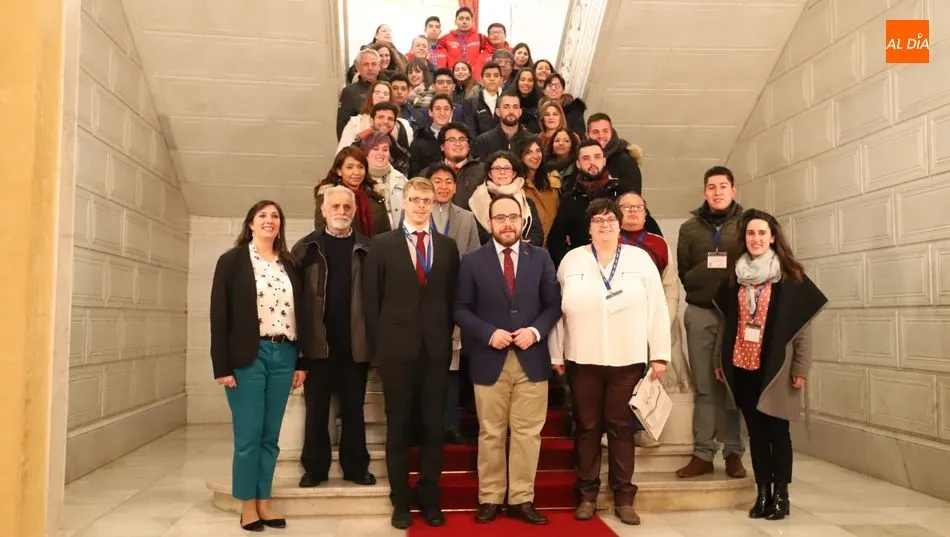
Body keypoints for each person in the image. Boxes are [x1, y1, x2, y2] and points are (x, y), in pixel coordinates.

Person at [548, 198, 670, 526]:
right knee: (587, 428)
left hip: (627, 359)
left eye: (610, 220)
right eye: (598, 220)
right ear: (588, 228)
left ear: (619, 225)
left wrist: (660, 354)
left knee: (620, 428)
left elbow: (657, 307)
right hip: (582, 358)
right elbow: (558, 311)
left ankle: (624, 496)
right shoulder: (572, 260)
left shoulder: (639, 259)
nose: (605, 225)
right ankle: (587, 494)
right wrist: (556, 353)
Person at [455, 194, 562, 525]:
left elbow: (553, 305)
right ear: (490, 223)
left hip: (531, 358)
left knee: (528, 433)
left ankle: (521, 498)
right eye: (500, 218)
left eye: (513, 217)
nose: (507, 224)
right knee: (491, 432)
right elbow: (460, 309)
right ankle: (489, 496)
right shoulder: (472, 261)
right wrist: (488, 333)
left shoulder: (541, 257)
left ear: (523, 221)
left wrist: (535, 331)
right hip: (490, 358)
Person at [713, 209, 826, 520]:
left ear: (773, 237)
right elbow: (727, 324)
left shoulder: (790, 277)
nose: (756, 238)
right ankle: (763, 492)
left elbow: (803, 331)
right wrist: (719, 360)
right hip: (742, 364)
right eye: (751, 233)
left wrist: (800, 368)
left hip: (776, 369)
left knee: (778, 433)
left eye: (762, 233)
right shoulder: (736, 277)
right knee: (756, 434)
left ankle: (782, 496)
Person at [363, 178, 461, 529]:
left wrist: (445, 337)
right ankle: (401, 500)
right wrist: (379, 348)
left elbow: (452, 298)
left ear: (434, 203)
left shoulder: (447, 247)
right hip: (396, 350)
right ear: (403, 202)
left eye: (426, 200)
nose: (421, 205)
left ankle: (430, 498)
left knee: (434, 426)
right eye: (415, 199)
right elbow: (371, 300)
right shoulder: (381, 245)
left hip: (435, 350)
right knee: (399, 426)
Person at [210, 200, 306, 531]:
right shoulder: (232, 261)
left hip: (285, 354)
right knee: (249, 435)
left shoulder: (289, 264)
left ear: (280, 225)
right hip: (247, 356)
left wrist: (301, 360)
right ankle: (247, 505)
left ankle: (264, 501)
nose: (269, 220)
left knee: (270, 436)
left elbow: (301, 315)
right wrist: (221, 366)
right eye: (262, 215)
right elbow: (219, 316)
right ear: (250, 223)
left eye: (275, 216)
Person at [293, 186, 376, 489]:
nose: (341, 211)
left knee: (354, 410)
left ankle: (356, 467)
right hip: (317, 346)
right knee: (316, 411)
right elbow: (295, 301)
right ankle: (314, 469)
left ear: (354, 211)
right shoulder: (305, 248)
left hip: (356, 344)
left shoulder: (369, 249)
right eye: (335, 206)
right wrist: (299, 350)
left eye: (347, 207)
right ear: (324, 210)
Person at [676, 165, 747, 479]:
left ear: (733, 190)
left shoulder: (746, 224)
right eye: (711, 187)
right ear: (704, 192)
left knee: (732, 386)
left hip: (737, 316)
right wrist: (699, 282)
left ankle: (733, 453)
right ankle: (703, 453)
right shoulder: (689, 228)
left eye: (723, 186)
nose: (717, 192)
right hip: (700, 312)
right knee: (705, 387)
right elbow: (683, 270)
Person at [618, 192, 685, 447]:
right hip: (617, 322)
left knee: (644, 378)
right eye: (626, 207)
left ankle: (641, 430)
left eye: (638, 207)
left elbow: (670, 287)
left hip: (652, 321)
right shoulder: (610, 240)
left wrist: (663, 322)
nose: (632, 211)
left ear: (646, 214)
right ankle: (612, 430)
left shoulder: (658, 244)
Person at [428, 164, 481, 446]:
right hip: (423, 302)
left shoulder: (466, 218)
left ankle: (450, 424)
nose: (443, 186)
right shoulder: (417, 214)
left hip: (455, 300)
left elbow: (473, 259)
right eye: (437, 181)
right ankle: (426, 424)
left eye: (448, 181)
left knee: (452, 364)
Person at [547, 140, 624, 266]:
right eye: (586, 158)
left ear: (604, 161)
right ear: (578, 164)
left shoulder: (621, 192)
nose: (592, 162)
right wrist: (568, 265)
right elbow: (555, 239)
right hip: (581, 265)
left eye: (597, 157)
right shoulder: (570, 198)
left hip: (618, 263)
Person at [468, 150, 544, 246]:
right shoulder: (477, 200)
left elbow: (537, 235)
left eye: (507, 168)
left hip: (524, 252)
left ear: (514, 174)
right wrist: (505, 244)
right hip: (489, 251)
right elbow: (477, 235)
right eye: (497, 168)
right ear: (490, 174)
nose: (502, 172)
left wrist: (518, 247)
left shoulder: (527, 202)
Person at [314, 147, 391, 238]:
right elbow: (321, 231)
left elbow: (386, 233)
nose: (356, 172)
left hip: (374, 246)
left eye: (361, 167)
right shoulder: (329, 196)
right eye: (349, 167)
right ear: (339, 171)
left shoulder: (375, 195)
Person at [514, 134, 560, 244]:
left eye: (538, 151)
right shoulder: (515, 187)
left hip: (553, 245)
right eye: (529, 152)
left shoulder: (552, 184)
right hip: (530, 245)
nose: (535, 156)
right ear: (520, 156)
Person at [361, 131, 408, 228]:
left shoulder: (402, 180)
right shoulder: (359, 180)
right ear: (366, 152)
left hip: (399, 233)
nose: (381, 153)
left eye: (385, 149)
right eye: (375, 149)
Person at [337, 49, 380, 139]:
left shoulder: (386, 88)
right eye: (366, 64)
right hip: (360, 142)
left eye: (374, 64)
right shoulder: (350, 91)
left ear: (379, 66)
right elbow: (342, 126)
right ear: (357, 67)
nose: (370, 68)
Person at [409, 94, 455, 177]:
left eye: (446, 109)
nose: (442, 113)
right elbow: (414, 174)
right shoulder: (419, 140)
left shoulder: (461, 137)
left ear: (451, 113)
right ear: (430, 112)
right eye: (438, 109)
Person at [473, 92, 526, 159]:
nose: (511, 111)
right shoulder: (483, 141)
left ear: (520, 112)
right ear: (498, 112)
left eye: (515, 107)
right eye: (506, 107)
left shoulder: (531, 141)